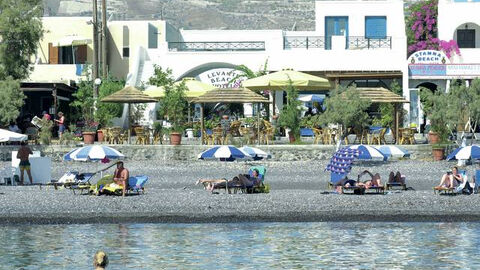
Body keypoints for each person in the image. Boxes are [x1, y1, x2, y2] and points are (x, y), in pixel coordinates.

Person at [197, 169, 262, 192]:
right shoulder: (250, 177)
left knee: (239, 176)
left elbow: (257, 184)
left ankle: (212, 185)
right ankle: (213, 185)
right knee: (227, 182)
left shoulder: (257, 178)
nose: (253, 173)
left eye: (254, 172)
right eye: (253, 172)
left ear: (257, 173)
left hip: (247, 183)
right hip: (237, 182)